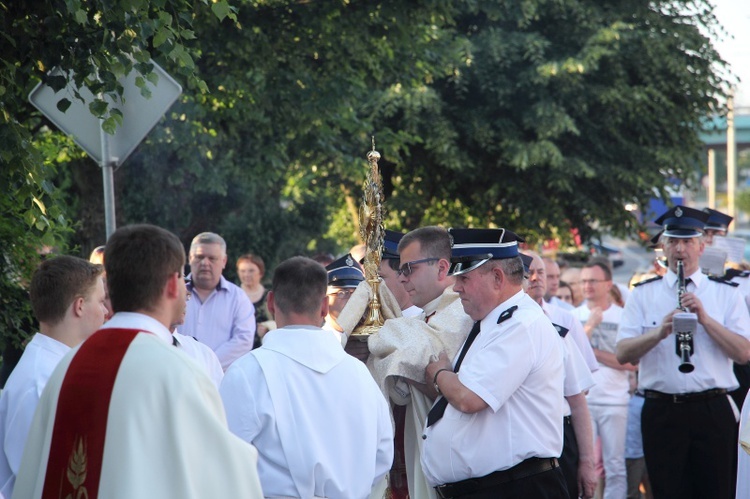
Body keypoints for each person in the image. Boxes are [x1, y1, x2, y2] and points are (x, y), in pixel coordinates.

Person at [12, 224, 264, 499]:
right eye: (183, 279)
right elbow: (223, 481)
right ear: (171, 285)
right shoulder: (180, 373)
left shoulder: (66, 366)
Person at [220, 256, 393, 498]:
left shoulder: (247, 373)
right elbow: (383, 455)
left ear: (270, 302)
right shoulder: (359, 373)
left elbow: (224, 462)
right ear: (324, 307)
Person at [421, 228, 568, 498]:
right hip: (498, 486)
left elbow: (468, 398)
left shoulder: (520, 324)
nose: (456, 287)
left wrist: (438, 371)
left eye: (464, 277)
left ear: (497, 278)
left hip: (516, 487)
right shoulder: (490, 323)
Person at [616, 206, 750, 499]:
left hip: (712, 409)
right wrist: (660, 331)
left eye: (688, 241)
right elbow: (623, 353)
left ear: (702, 246)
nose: (680, 249)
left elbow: (744, 353)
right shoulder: (643, 294)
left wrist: (705, 319)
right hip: (662, 411)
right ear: (662, 246)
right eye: (673, 241)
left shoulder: (726, 293)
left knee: (717, 490)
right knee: (667, 491)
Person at [365, 226, 473, 499]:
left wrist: (387, 338)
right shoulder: (425, 317)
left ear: (441, 268)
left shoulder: (460, 312)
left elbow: (423, 358)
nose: (402, 279)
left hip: (453, 457)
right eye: (400, 271)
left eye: (409, 269)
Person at [0, 256, 107, 498]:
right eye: (100, 302)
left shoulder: (57, 368)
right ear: (79, 306)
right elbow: (44, 480)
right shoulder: (41, 382)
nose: (106, 311)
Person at [525, 251, 598, 499]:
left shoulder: (564, 320)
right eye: (528, 272)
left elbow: (579, 392)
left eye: (541, 272)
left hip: (561, 428)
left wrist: (587, 461)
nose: (535, 278)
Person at [571, 260, 635, 499]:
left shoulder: (623, 316)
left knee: (615, 465)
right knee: (582, 463)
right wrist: (588, 328)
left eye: (593, 280)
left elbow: (631, 362)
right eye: (584, 280)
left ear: (608, 284)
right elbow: (566, 358)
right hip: (582, 403)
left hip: (614, 400)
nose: (587, 285)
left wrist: (593, 353)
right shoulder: (573, 315)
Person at [178, 232, 256, 370]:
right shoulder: (174, 293)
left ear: (224, 261)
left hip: (219, 383)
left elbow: (243, 340)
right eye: (199, 257)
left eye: (212, 258)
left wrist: (206, 365)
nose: (205, 263)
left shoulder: (238, 298)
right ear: (190, 258)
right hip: (177, 374)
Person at [323, 253, 365, 344]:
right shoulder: (318, 342)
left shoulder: (373, 341)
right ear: (324, 300)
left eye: (356, 293)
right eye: (342, 293)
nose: (351, 299)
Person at [236, 253, 274, 347]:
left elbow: (280, 321)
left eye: (251, 271)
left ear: (260, 272)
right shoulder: (233, 297)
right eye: (243, 271)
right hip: (238, 350)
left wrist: (268, 328)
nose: (246, 274)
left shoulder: (270, 296)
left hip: (265, 348)